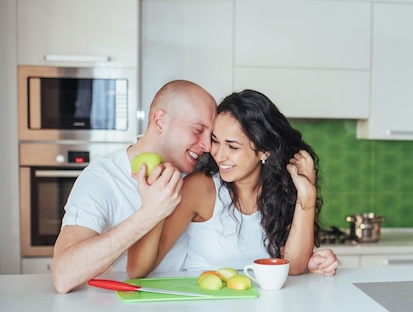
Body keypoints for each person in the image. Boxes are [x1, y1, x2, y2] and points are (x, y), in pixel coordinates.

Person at [53, 81, 338, 294]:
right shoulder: (103, 179)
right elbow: (67, 275)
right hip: (117, 307)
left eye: (213, 136)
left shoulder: (191, 173)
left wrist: (305, 206)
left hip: (197, 303)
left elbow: (284, 260)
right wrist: (151, 211)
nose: (209, 149)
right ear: (159, 121)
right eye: (200, 131)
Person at [127, 89, 336, 278]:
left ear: (264, 151)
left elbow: (293, 267)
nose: (218, 154)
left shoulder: (280, 190)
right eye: (216, 141)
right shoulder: (200, 189)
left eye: (232, 147)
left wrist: (306, 195)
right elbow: (137, 269)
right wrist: (155, 205)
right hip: (203, 309)